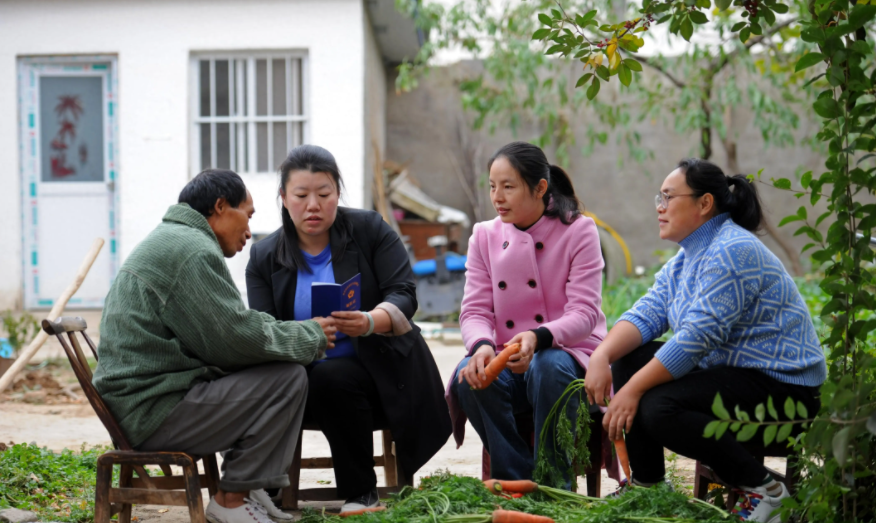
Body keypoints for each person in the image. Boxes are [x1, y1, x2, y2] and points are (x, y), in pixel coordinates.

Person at [584, 159, 826, 522]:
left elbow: (696, 340)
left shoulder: (732, 249)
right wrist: (601, 355)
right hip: (738, 376)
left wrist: (630, 390)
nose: (660, 207)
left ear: (704, 203)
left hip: (786, 391)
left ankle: (767, 491)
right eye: (659, 198)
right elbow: (646, 314)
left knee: (657, 407)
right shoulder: (688, 257)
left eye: (668, 197)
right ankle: (649, 488)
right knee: (628, 359)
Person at [92, 169, 338, 523]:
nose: (249, 231)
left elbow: (231, 324)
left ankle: (248, 489)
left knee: (278, 370)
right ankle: (231, 500)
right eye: (247, 215)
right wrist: (310, 335)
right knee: (288, 378)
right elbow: (233, 339)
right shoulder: (190, 250)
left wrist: (297, 331)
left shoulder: (177, 239)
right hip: (152, 413)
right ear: (221, 207)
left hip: (144, 404)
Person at [245, 144, 452, 514]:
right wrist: (305, 333)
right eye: (301, 195)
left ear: (337, 193)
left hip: (381, 374)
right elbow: (264, 329)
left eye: (324, 194)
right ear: (283, 198)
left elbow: (404, 293)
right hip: (303, 384)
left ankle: (361, 494)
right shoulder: (264, 256)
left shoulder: (369, 230)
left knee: (334, 377)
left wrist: (369, 321)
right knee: (314, 378)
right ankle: (264, 484)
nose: (313, 205)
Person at [446, 141, 609, 488]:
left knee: (548, 364)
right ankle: (516, 480)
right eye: (492, 186)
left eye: (508, 187)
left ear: (539, 188)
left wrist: (538, 337)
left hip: (569, 357)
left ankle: (553, 484)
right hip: (510, 358)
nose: (497, 197)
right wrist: (482, 346)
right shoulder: (484, 236)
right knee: (468, 373)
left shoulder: (579, 230)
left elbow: (584, 313)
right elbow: (474, 310)